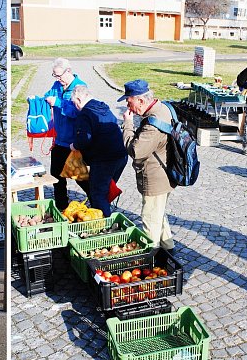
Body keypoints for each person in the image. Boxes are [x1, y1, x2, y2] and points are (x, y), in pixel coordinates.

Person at [119, 80, 175, 253]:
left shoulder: (153, 124)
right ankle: (168, 247)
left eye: (129, 101)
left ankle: (151, 257)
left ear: (140, 100)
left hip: (155, 177)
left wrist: (127, 124)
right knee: (158, 213)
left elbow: (136, 151)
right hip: (165, 173)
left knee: (150, 218)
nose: (127, 106)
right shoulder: (163, 108)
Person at [69, 85, 128, 217]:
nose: (75, 107)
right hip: (121, 156)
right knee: (103, 189)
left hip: (104, 159)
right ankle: (100, 211)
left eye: (74, 103)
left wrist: (74, 145)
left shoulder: (85, 114)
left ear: (78, 99)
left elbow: (84, 140)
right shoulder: (103, 108)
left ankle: (103, 225)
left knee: (98, 193)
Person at [42, 58, 89, 210]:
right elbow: (48, 95)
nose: (57, 79)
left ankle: (97, 198)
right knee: (56, 175)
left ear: (68, 71)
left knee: (78, 176)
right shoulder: (57, 85)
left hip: (73, 142)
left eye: (59, 75)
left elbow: (77, 111)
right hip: (59, 139)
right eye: (54, 76)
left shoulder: (80, 86)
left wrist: (58, 103)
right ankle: (61, 205)